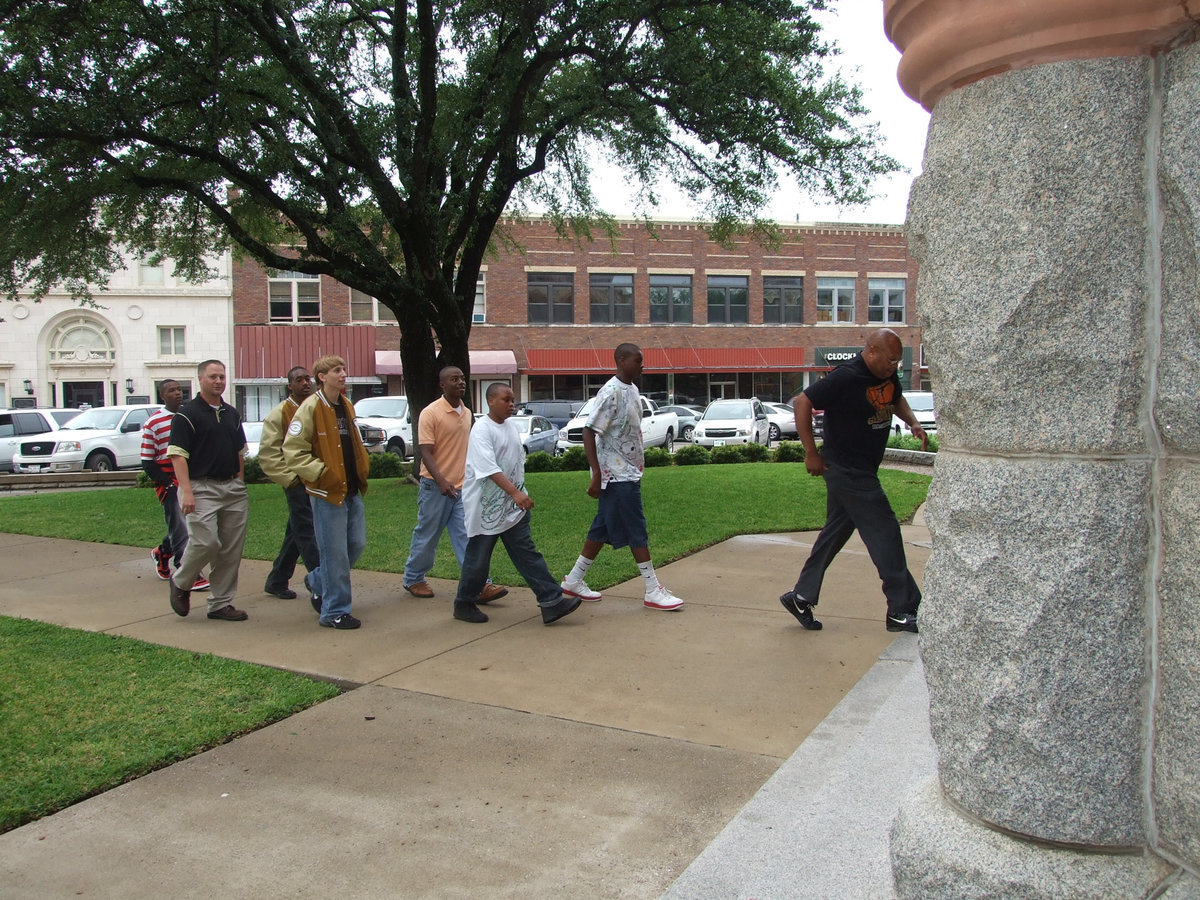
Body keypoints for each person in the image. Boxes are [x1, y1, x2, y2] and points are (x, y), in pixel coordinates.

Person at [783, 327, 927, 634]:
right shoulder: (846, 376)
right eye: (890, 359)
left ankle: (801, 597)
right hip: (845, 468)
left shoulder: (885, 374)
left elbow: (895, 397)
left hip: (863, 467)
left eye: (898, 361)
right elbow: (802, 403)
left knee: (835, 531)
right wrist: (810, 453)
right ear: (872, 351)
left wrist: (913, 422)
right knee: (885, 530)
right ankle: (901, 609)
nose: (894, 366)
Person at [560, 343, 683, 611]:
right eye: (637, 360)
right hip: (616, 476)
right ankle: (653, 590)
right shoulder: (611, 392)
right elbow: (589, 432)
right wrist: (596, 474)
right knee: (636, 528)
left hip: (628, 471)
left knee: (602, 528)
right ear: (620, 359)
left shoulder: (633, 390)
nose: (642, 365)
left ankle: (573, 580)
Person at [453, 383, 582, 626]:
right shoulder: (481, 430)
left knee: (527, 554)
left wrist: (520, 493)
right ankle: (464, 603)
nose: (512, 404)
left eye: (513, 400)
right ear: (491, 401)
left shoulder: (510, 427)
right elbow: (489, 469)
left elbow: (515, 464)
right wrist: (515, 493)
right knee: (478, 559)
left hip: (512, 508)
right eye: (506, 400)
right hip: (485, 508)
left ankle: (551, 601)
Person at [402, 365, 507, 604]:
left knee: (467, 537)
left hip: (461, 488)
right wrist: (441, 481)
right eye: (454, 379)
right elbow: (425, 452)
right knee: (427, 536)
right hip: (434, 487)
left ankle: (480, 585)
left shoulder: (467, 413)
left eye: (462, 378)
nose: (460, 382)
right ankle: (414, 578)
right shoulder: (430, 413)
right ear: (443, 385)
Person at [283, 355, 370, 630]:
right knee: (335, 553)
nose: (343, 374)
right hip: (327, 493)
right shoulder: (310, 408)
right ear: (322, 376)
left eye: (344, 369)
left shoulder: (346, 406)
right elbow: (293, 451)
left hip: (351, 489)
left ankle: (318, 580)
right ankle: (334, 611)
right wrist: (320, 474)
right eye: (336, 370)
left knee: (355, 544)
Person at [167, 360, 250, 622]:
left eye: (222, 377)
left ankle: (220, 604)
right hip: (201, 487)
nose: (218, 381)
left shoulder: (231, 413)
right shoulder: (186, 415)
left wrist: (239, 483)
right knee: (206, 541)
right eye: (212, 376)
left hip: (232, 488)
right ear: (200, 379)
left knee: (230, 549)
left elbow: (240, 453)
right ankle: (181, 582)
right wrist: (187, 492)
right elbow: (178, 456)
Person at [258, 366, 321, 610]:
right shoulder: (280, 414)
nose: (306, 383)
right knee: (307, 530)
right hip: (296, 482)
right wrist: (291, 480)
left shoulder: (318, 408)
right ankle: (320, 580)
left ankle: (277, 580)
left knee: (295, 531)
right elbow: (269, 455)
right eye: (299, 380)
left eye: (308, 378)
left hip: (317, 479)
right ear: (290, 386)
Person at [141, 379, 209, 591]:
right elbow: (147, 460)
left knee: (188, 525)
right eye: (172, 391)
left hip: (190, 478)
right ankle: (185, 570)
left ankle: (162, 552)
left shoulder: (189, 417)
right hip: (169, 482)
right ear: (163, 396)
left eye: (179, 389)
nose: (177, 393)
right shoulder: (154, 423)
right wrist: (167, 483)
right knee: (180, 524)